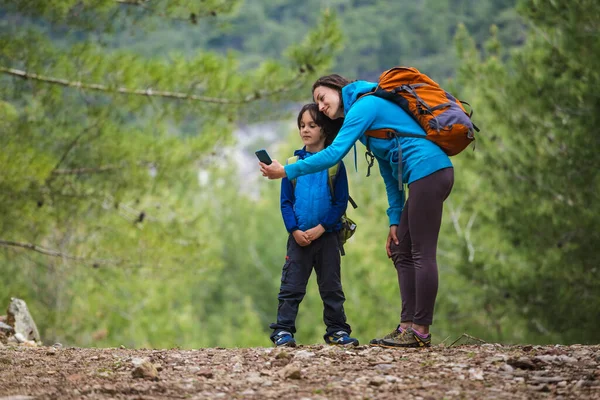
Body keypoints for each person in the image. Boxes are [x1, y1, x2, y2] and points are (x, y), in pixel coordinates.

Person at [260, 75, 455, 348]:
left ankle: (420, 331)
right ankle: (406, 326)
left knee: (421, 252)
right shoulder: (364, 120)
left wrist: (286, 170)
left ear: (338, 89)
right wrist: (394, 219)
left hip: (430, 170)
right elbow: (390, 173)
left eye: (322, 97)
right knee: (401, 248)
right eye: (316, 100)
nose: (321, 104)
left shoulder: (365, 106)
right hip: (420, 176)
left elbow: (334, 153)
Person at [268, 103, 359, 348]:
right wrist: (294, 230)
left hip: (327, 238)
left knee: (331, 287)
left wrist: (322, 228)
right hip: (298, 239)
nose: (305, 130)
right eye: (301, 125)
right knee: (291, 287)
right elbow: (286, 203)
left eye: (312, 125)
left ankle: (337, 331)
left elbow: (340, 202)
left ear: (324, 130)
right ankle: (283, 331)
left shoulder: (335, 164)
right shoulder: (290, 164)